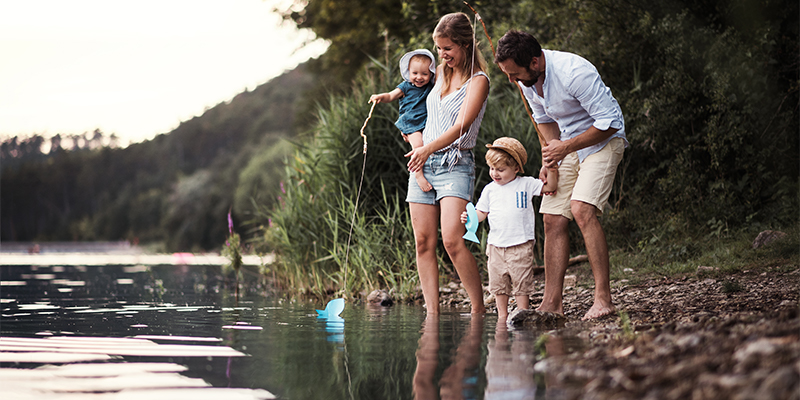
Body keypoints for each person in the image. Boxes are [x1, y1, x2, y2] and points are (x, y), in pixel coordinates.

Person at [495, 30, 628, 320]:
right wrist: (550, 158)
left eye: (515, 74)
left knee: (581, 209)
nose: (512, 80)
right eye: (508, 74)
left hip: (604, 141)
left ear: (534, 62)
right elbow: (545, 121)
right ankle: (552, 303)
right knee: (552, 217)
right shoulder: (526, 81)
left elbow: (610, 122)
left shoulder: (573, 72)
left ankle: (603, 300)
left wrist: (564, 147)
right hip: (567, 145)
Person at [405, 12, 490, 314]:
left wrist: (426, 149)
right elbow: (411, 108)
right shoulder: (438, 71)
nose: (442, 55)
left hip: (456, 164)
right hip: (423, 164)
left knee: (453, 241)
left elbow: (462, 127)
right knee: (423, 242)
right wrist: (417, 145)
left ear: (465, 45)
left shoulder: (479, 81)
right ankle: (432, 314)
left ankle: (479, 310)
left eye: (448, 48)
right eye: (439, 49)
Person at [460, 137, 557, 320]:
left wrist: (552, 168)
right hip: (496, 246)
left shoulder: (526, 183)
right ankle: (502, 317)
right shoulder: (490, 189)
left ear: (516, 168)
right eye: (492, 168)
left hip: (520, 244)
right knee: (498, 284)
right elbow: (481, 213)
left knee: (521, 282)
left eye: (501, 170)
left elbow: (550, 186)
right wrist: (470, 217)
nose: (495, 173)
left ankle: (521, 314)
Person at [370, 49, 437, 191]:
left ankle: (431, 170)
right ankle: (418, 175)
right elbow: (390, 96)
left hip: (426, 123)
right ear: (408, 72)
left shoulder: (431, 87)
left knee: (429, 144)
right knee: (418, 146)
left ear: (431, 73)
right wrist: (380, 97)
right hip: (411, 123)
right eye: (415, 73)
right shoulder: (405, 86)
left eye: (424, 74)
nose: (419, 77)